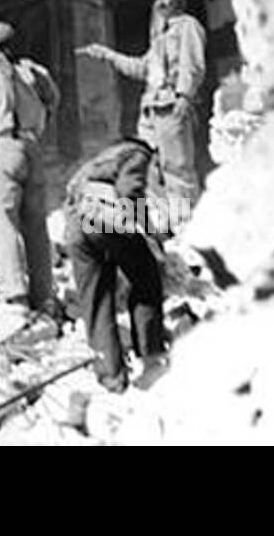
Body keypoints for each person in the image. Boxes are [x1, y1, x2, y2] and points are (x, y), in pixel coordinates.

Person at [78, 0, 206, 208]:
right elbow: (140, 68)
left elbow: (193, 64)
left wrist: (184, 96)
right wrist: (107, 54)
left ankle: (186, 223)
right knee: (147, 164)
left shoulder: (188, 26)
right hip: (150, 110)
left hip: (170, 106)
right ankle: (166, 220)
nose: (161, 2)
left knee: (177, 167)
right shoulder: (159, 39)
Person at [0, 21, 60, 315]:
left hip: (6, 147)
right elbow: (53, 102)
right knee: (36, 225)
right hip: (34, 147)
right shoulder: (34, 72)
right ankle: (44, 296)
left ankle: (16, 293)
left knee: (4, 223)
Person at [63, 137, 169, 393]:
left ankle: (111, 376)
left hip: (78, 228)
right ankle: (151, 355)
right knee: (147, 278)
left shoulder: (96, 163)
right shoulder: (137, 154)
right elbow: (129, 191)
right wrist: (152, 234)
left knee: (96, 300)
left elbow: (70, 198)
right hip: (105, 221)